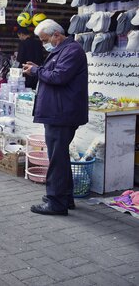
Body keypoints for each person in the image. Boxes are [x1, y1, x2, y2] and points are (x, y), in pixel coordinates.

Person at [23, 19, 88, 216]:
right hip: (59, 110)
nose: (44, 44)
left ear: (56, 35)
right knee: (59, 156)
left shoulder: (72, 51)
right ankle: (64, 197)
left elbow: (58, 77)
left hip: (62, 112)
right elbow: (52, 73)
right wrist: (38, 68)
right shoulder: (62, 51)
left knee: (57, 158)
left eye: (45, 40)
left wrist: (36, 70)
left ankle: (56, 202)